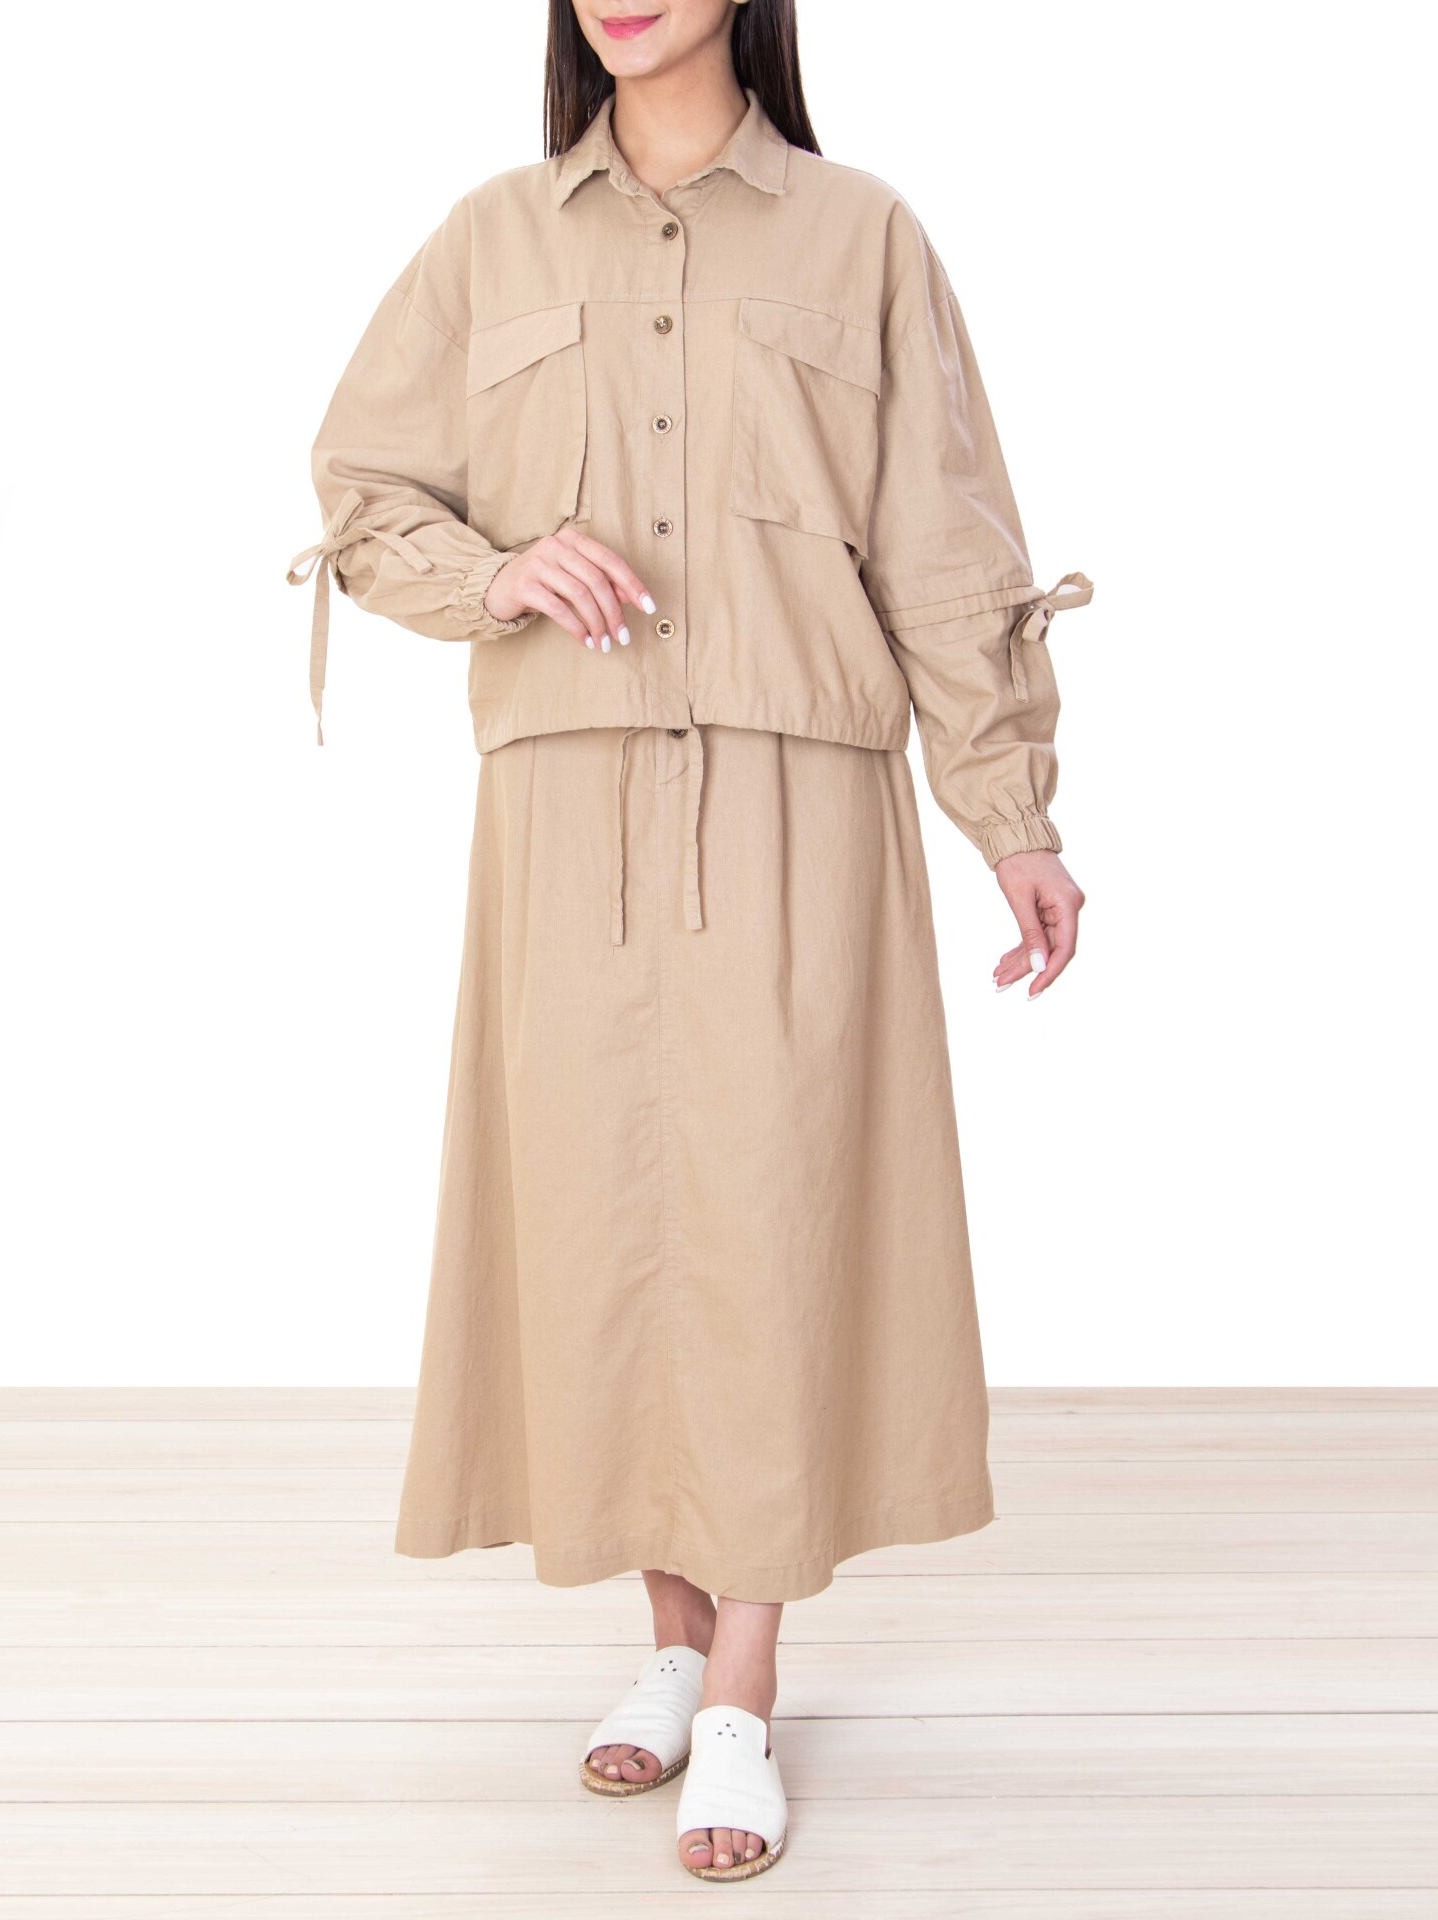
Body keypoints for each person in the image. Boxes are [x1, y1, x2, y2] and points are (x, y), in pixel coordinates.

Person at [287, 0, 1091, 1884]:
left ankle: (743, 1675)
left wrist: (1013, 816)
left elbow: (944, 544)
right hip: (564, 803)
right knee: (601, 1222)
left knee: (771, 1212)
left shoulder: (861, 233)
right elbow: (363, 490)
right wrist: (496, 570)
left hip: (797, 789)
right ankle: (665, 1637)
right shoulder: (490, 237)